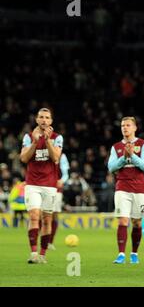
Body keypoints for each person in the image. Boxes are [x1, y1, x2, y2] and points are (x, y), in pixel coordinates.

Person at [20, 107, 63, 264]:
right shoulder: (28, 137)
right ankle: (33, 253)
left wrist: (48, 141)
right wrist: (35, 142)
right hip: (32, 184)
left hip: (50, 185)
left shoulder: (57, 138)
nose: (44, 120)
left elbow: (56, 158)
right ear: (37, 120)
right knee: (34, 215)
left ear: (51, 121)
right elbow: (24, 158)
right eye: (41, 117)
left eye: (47, 118)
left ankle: (43, 254)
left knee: (46, 220)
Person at [108, 116, 144, 264]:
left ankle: (134, 253)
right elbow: (111, 167)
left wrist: (131, 155)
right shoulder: (116, 147)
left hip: (139, 189)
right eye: (122, 125)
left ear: (134, 128)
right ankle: (121, 254)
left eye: (128, 125)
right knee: (123, 221)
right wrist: (123, 158)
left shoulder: (143, 144)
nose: (125, 128)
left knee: (137, 223)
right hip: (122, 188)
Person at [48, 153, 70, 250]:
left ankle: (50, 242)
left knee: (54, 214)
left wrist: (62, 180)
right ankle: (41, 239)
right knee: (42, 214)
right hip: (42, 185)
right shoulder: (41, 151)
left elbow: (65, 173)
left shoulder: (62, 156)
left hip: (56, 188)